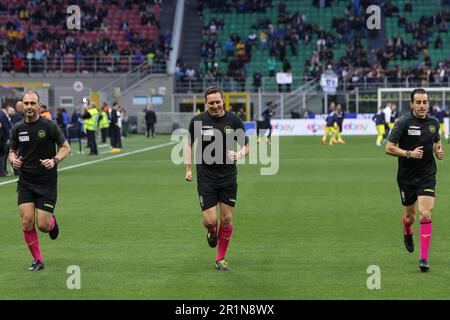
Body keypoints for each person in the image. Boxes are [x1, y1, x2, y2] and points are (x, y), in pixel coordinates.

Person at [184, 86, 249, 272]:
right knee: (211, 222)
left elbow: (246, 146)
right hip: (206, 179)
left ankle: (220, 258)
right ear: (206, 103)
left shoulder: (234, 120)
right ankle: (212, 233)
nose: (215, 105)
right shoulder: (198, 121)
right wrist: (188, 169)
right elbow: (189, 144)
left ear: (223, 101)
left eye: (217, 102)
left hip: (228, 177)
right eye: (211, 102)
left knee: (227, 219)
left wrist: (240, 154)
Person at [8, 90, 71, 271]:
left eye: (32, 103)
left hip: (47, 183)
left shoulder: (49, 126)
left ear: (39, 105)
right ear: (22, 105)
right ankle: (38, 260)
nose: (29, 107)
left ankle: (51, 222)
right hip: (26, 181)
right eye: (26, 103)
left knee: (42, 225)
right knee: (27, 221)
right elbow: (12, 150)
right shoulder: (17, 128)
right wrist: (14, 160)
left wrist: (54, 160)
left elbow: (65, 147)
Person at [385, 88, 444, 272]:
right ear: (412, 104)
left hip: (427, 174)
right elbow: (389, 148)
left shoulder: (434, 122)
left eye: (424, 102)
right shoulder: (403, 122)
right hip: (407, 177)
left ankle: (424, 259)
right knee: (410, 218)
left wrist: (438, 150)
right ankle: (407, 230)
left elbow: (436, 140)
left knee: (425, 213)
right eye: (418, 102)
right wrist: (408, 153)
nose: (421, 105)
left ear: (428, 103)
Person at [0, 103, 13, 176]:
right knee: (3, 155)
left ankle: (3, 171)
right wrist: (8, 137)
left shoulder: (2, 114)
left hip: (3, 138)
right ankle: (2, 172)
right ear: (7, 107)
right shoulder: (2, 115)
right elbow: (5, 127)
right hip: (3, 138)